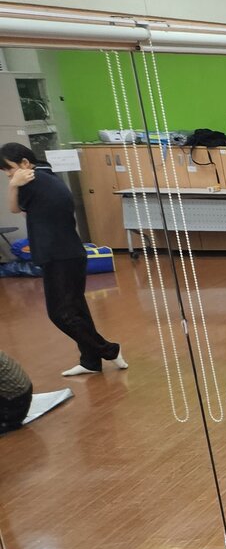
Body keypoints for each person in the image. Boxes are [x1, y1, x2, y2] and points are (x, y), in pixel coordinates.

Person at [2, 143, 125, 378]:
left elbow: (14, 208)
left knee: (60, 314)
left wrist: (13, 185)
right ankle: (90, 361)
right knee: (76, 310)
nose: (9, 174)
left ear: (25, 163)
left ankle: (109, 350)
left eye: (9, 169)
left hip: (59, 255)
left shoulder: (31, 181)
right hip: (69, 253)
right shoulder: (47, 175)